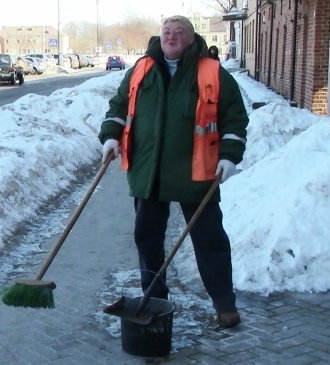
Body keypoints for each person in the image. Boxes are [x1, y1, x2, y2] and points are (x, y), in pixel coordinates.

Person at [98, 15, 248, 329]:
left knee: (209, 240)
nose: (171, 37)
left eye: (179, 32)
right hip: (149, 171)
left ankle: (224, 303)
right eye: (167, 32)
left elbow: (234, 117)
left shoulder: (211, 72)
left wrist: (229, 155)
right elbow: (119, 106)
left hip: (197, 171)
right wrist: (111, 136)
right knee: (148, 238)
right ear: (160, 37)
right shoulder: (142, 69)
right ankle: (154, 298)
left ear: (191, 39)